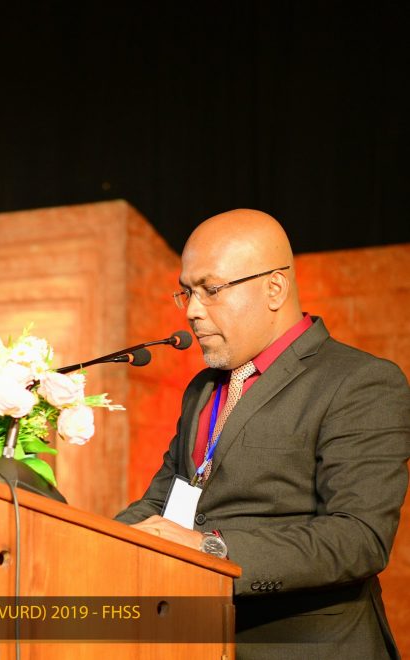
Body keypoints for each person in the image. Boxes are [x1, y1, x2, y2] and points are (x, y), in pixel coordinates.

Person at [115, 209, 410, 659]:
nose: (192, 311)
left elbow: (359, 538)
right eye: (187, 292)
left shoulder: (360, 381)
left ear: (275, 288)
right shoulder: (202, 388)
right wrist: (92, 544)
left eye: (211, 290)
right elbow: (163, 502)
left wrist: (212, 549)